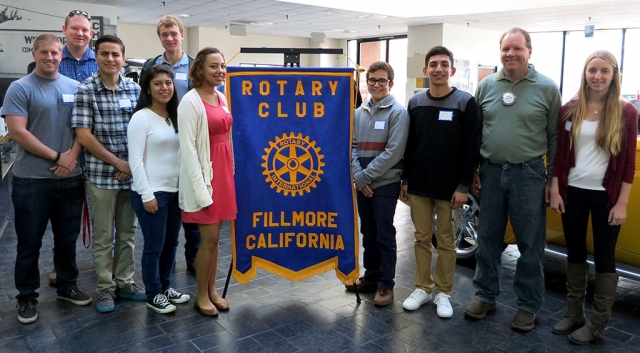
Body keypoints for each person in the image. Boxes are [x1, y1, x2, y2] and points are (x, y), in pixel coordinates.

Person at [465, 27, 561, 331]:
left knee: (530, 245)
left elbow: (555, 138)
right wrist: (473, 170)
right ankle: (485, 295)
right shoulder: (486, 85)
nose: (511, 54)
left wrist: (551, 180)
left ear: (529, 52)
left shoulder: (547, 88)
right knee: (488, 240)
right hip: (491, 173)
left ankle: (528, 305)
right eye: (506, 48)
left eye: (517, 49)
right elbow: (476, 132)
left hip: (529, 174)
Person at [3, 34, 91, 324]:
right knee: (29, 242)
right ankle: (27, 297)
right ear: (34, 52)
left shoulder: (75, 87)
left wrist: (71, 157)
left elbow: (83, 128)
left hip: (70, 178)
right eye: (44, 52)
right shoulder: (20, 88)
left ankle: (67, 286)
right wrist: (57, 157)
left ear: (60, 54)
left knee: (67, 239)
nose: (50, 57)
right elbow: (17, 132)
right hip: (32, 181)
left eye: (54, 53)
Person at [549, 50, 637, 345]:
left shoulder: (626, 112)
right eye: (592, 70)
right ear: (584, 74)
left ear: (614, 76)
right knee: (574, 253)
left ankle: (598, 323)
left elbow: (627, 164)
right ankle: (574, 313)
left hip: (606, 196)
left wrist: (622, 202)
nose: (597, 76)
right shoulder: (570, 108)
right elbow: (561, 154)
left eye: (604, 71)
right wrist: (556, 189)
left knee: (604, 258)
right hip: (573, 192)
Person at [400, 46, 478, 318]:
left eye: (444, 64)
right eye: (433, 64)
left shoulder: (466, 102)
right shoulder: (415, 102)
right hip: (419, 185)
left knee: (446, 241)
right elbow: (408, 145)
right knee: (421, 238)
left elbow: (471, 149)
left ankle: (443, 293)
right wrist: (405, 179)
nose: (438, 69)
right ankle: (422, 287)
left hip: (450, 189)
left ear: (452, 70)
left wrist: (463, 187)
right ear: (425, 71)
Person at [72, 34, 145, 313]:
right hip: (102, 176)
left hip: (131, 175)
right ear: (96, 56)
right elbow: (84, 136)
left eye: (116, 54)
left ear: (123, 59)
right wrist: (119, 163)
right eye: (105, 54)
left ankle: (125, 282)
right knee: (104, 236)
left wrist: (130, 166)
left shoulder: (134, 89)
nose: (110, 59)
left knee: (127, 233)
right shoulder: (85, 89)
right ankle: (105, 288)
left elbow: (142, 130)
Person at [178, 47, 236, 317]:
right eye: (214, 66)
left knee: (216, 241)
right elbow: (188, 150)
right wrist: (201, 189)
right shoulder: (190, 102)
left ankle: (212, 290)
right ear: (200, 69)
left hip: (222, 172)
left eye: (222, 66)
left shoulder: (221, 97)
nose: (220, 71)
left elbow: (227, 136)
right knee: (208, 239)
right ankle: (201, 295)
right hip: (204, 176)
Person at [128, 64, 191, 314]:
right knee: (154, 246)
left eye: (168, 82)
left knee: (171, 243)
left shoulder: (175, 115)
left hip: (175, 191)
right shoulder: (141, 118)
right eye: (158, 83)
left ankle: (166, 287)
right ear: (148, 88)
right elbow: (135, 161)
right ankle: (153, 293)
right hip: (152, 193)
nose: (164, 87)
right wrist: (147, 194)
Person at [346, 61, 409, 307]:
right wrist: (359, 176)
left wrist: (364, 177)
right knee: (368, 233)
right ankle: (371, 276)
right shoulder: (359, 112)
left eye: (382, 80)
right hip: (363, 185)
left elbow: (394, 152)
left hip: (384, 185)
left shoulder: (398, 113)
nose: (376, 85)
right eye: (372, 80)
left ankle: (385, 284)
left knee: (384, 234)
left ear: (390, 84)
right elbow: (351, 147)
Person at [141, 15, 199, 277]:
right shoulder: (152, 66)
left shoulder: (195, 66)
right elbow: (144, 100)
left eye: (174, 33)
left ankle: (195, 260)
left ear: (182, 35)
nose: (169, 38)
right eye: (164, 34)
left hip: (194, 141)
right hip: (165, 139)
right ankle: (166, 268)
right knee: (172, 203)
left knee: (194, 207)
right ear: (160, 37)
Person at [45, 9, 98, 286]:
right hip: (60, 154)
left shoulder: (100, 62)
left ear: (91, 33)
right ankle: (61, 266)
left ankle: (107, 265)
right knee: (63, 219)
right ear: (64, 29)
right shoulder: (52, 60)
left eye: (85, 30)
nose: (80, 33)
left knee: (104, 214)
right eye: (74, 28)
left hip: (94, 151)